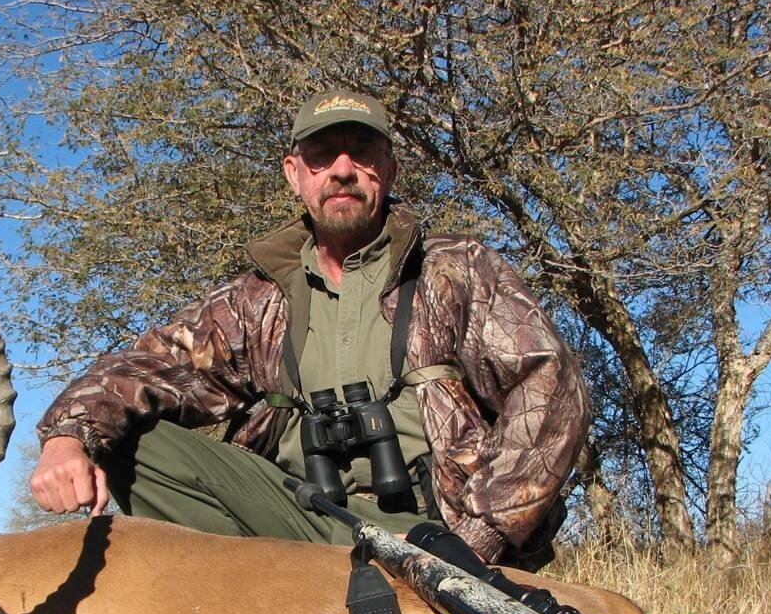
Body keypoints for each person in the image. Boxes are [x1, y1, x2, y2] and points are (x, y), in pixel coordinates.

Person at [30, 89, 590, 567]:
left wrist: (476, 538)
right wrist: (65, 438)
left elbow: (549, 386)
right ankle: (244, 601)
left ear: (388, 169)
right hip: (299, 522)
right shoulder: (255, 299)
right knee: (133, 440)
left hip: (439, 530)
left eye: (362, 153)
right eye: (322, 156)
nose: (342, 170)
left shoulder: (459, 268)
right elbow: (146, 366)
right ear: (295, 174)